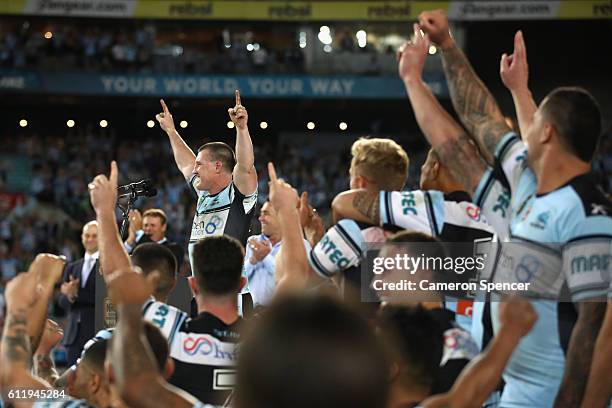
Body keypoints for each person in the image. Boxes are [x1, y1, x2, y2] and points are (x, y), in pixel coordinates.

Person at [418, 9, 612, 406]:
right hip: (513, 393)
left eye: (534, 118)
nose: (526, 127)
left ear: (547, 133)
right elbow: (479, 116)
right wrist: (448, 46)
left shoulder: (590, 214)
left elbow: (599, 334)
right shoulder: (532, 187)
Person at [87, 161, 245, 406]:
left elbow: (121, 278)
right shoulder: (263, 343)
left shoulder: (172, 329)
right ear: (242, 283)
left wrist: (105, 213)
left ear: (193, 285)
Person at [155, 91, 258, 274]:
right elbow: (186, 163)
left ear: (218, 166)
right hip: (202, 292)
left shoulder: (237, 195)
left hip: (231, 295)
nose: (194, 170)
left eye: (200, 165)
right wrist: (171, 131)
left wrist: (241, 129)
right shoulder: (203, 193)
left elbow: (245, 166)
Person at [244, 200, 311, 306]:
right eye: (261, 214)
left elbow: (295, 283)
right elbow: (239, 280)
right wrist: (252, 261)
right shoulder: (252, 242)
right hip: (251, 316)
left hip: (282, 315)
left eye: (266, 214)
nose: (260, 218)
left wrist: (266, 258)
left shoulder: (300, 246)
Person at [58, 220, 100, 366]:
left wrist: (76, 293)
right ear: (82, 237)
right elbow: (61, 302)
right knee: (72, 386)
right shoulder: (71, 267)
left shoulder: (107, 266)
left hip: (96, 335)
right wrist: (69, 295)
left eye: (94, 236)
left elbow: (104, 298)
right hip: (73, 337)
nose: (90, 239)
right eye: (87, 235)